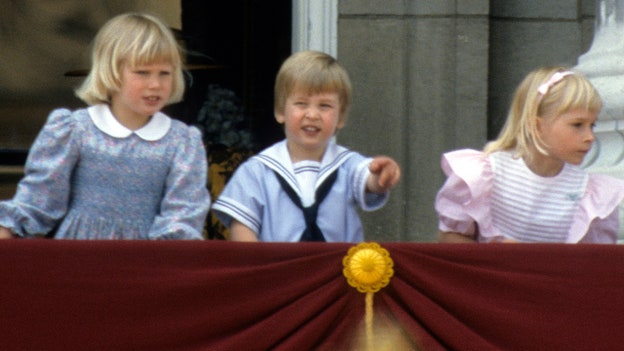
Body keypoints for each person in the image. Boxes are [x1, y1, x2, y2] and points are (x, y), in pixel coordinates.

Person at [0, 13, 210, 240]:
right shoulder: (74, 131)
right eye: (142, 72)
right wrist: (8, 228)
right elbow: (39, 201)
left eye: (165, 73)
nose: (155, 84)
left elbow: (183, 214)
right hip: (79, 260)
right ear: (111, 72)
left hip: (146, 264)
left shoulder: (181, 142)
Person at [212, 50, 401, 242]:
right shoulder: (257, 171)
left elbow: (367, 178)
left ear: (341, 117)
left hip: (338, 269)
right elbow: (243, 229)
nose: (312, 114)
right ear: (280, 111)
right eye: (301, 104)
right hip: (281, 270)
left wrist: (379, 177)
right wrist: (256, 268)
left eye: (324, 106)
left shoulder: (346, 165)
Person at [435, 66, 624, 243]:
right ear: (537, 125)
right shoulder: (485, 174)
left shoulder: (589, 194)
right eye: (577, 125)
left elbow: (593, 262)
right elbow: (450, 237)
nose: (590, 137)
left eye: (592, 125)